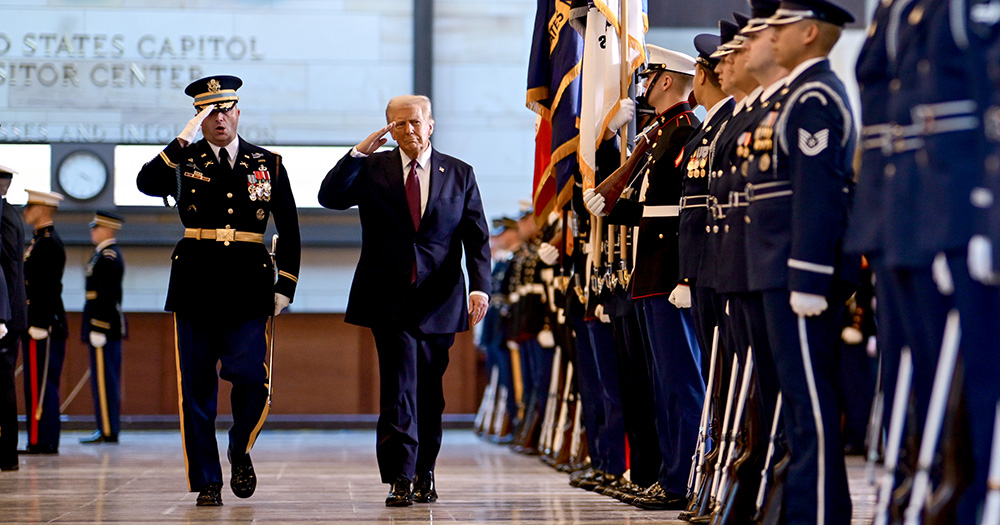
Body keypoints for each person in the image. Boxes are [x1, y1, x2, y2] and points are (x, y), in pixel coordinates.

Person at [318, 94, 491, 507]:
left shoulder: (459, 173)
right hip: (388, 297)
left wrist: (480, 287)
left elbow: (477, 235)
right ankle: (399, 475)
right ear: (388, 129)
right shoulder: (372, 168)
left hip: (441, 299)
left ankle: (425, 470)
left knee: (430, 391)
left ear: (430, 124)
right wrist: (358, 153)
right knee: (399, 387)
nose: (408, 131)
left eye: (415, 122)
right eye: (398, 125)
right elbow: (329, 196)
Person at [136, 75, 301, 506]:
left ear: (238, 113)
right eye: (209, 112)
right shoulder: (184, 161)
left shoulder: (268, 163)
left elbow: (291, 229)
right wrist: (181, 138)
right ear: (199, 119)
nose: (219, 118)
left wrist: (286, 285)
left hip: (248, 285)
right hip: (195, 283)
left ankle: (240, 445)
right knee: (195, 389)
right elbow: (146, 182)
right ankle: (208, 479)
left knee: (251, 377)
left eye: (226, 109)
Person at [743, 1, 858, 523]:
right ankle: (805, 510)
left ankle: (819, 514)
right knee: (795, 404)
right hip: (776, 270)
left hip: (798, 276)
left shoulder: (813, 97)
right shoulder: (793, 95)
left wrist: (809, 274)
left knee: (810, 405)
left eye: (781, 27)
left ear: (809, 33)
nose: (771, 36)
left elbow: (819, 193)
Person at [584, 45, 705, 510]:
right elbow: (653, 210)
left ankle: (684, 480)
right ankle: (670, 476)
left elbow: (684, 213)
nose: (644, 85)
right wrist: (610, 207)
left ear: (668, 81)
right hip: (650, 274)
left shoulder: (684, 132)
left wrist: (685, 275)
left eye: (650, 77)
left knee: (681, 383)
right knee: (662, 384)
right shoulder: (660, 135)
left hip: (669, 273)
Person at [20, 190, 67, 455]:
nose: (26, 211)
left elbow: (48, 289)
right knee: (35, 384)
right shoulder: (38, 242)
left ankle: (45, 440)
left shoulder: (49, 243)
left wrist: (40, 321)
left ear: (43, 209)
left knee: (43, 384)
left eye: (30, 206)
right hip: (35, 324)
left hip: (45, 326)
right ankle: (37, 439)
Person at [80, 211, 126, 445]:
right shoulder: (101, 255)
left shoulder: (108, 257)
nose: (92, 231)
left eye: (96, 227)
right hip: (101, 326)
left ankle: (108, 429)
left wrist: (98, 326)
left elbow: (107, 296)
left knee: (106, 381)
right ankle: (105, 427)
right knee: (102, 381)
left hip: (104, 328)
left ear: (107, 229)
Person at [0, 165, 26, 472]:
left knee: (3, 384)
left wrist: (2, 314)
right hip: (7, 311)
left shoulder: (4, 216)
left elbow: (7, 266)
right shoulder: (9, 213)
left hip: (4, 313)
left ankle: (6, 453)